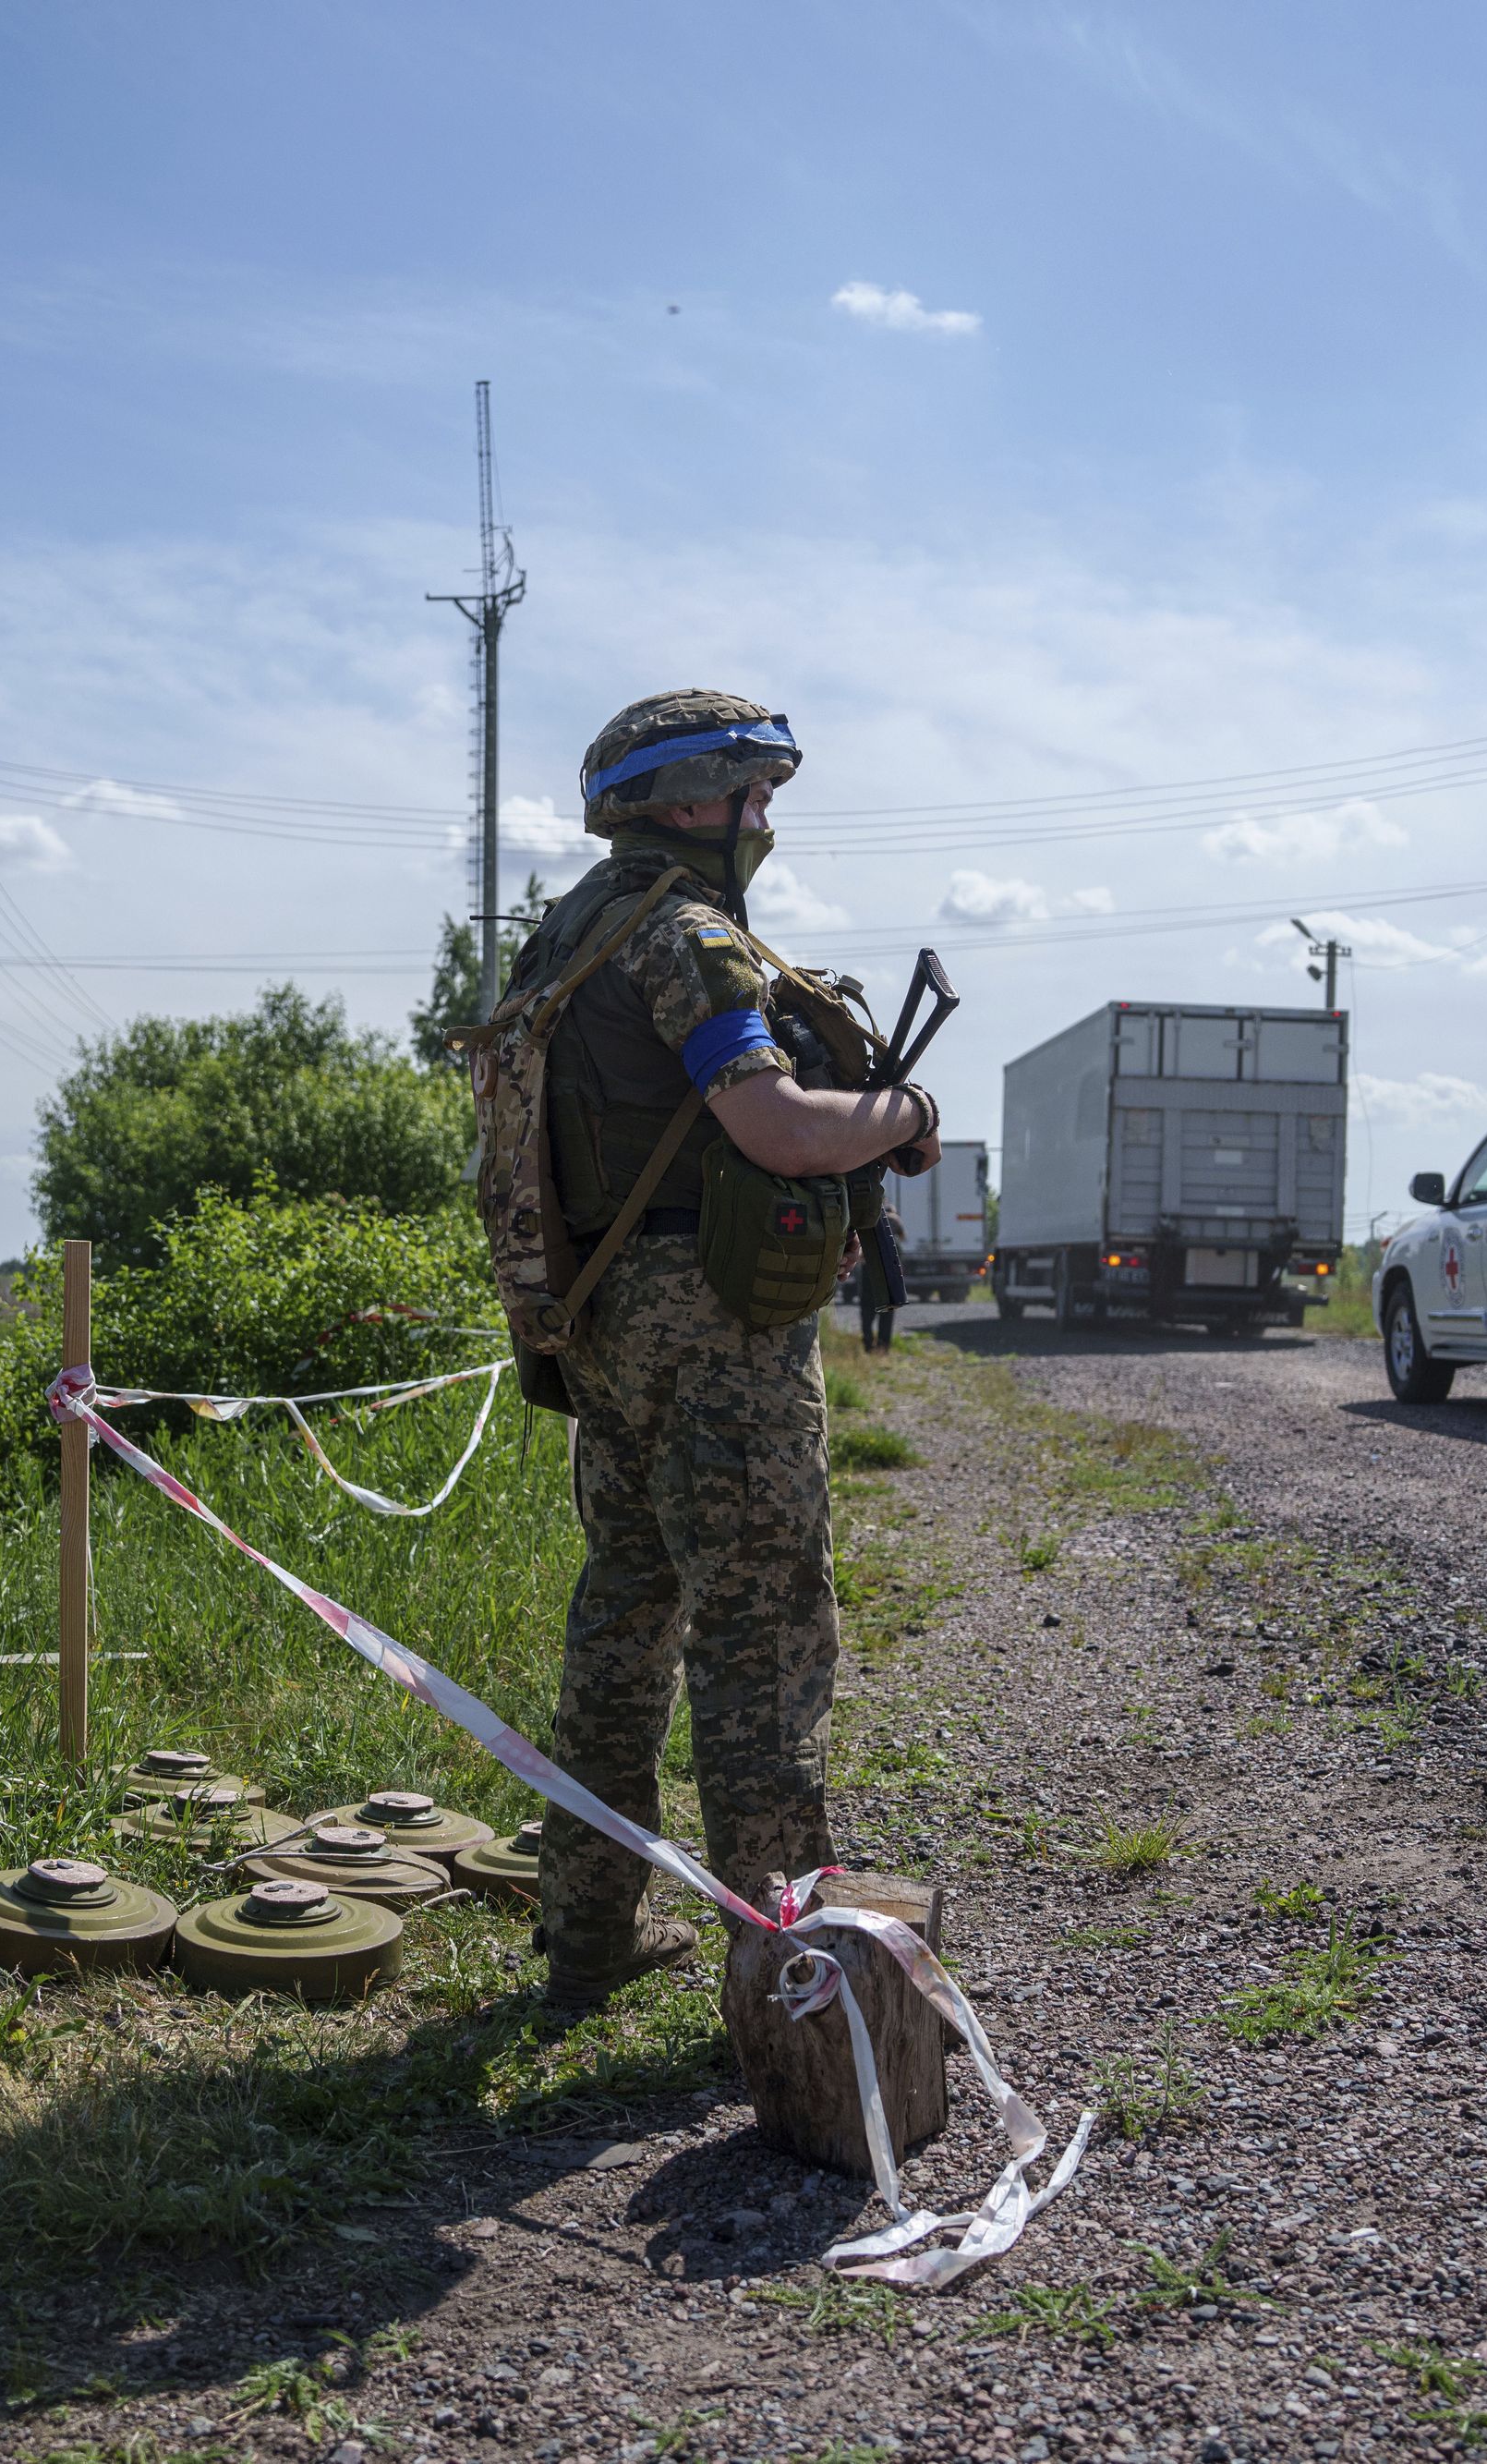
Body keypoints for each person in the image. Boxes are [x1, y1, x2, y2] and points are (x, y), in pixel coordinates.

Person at [506, 688, 943, 2013]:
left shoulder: (568, 933)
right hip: (713, 1322)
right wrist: (902, 1110)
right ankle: (791, 1975)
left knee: (625, 1618)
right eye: (749, 795)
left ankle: (586, 1933)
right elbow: (776, 1129)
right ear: (686, 800)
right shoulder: (686, 935)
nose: (762, 821)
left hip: (604, 1317)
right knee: (759, 1635)